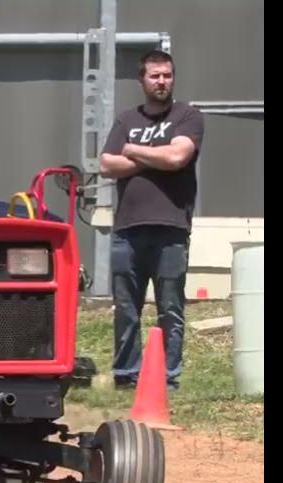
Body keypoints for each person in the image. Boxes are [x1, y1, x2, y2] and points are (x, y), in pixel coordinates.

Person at [98, 50, 204, 390]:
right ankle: (127, 375)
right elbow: (106, 165)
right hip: (127, 230)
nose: (162, 81)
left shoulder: (187, 116)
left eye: (167, 75)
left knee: (170, 308)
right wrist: (155, 156)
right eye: (155, 76)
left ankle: (168, 378)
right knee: (126, 308)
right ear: (142, 80)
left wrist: (132, 151)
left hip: (171, 228)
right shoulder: (126, 120)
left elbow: (177, 157)